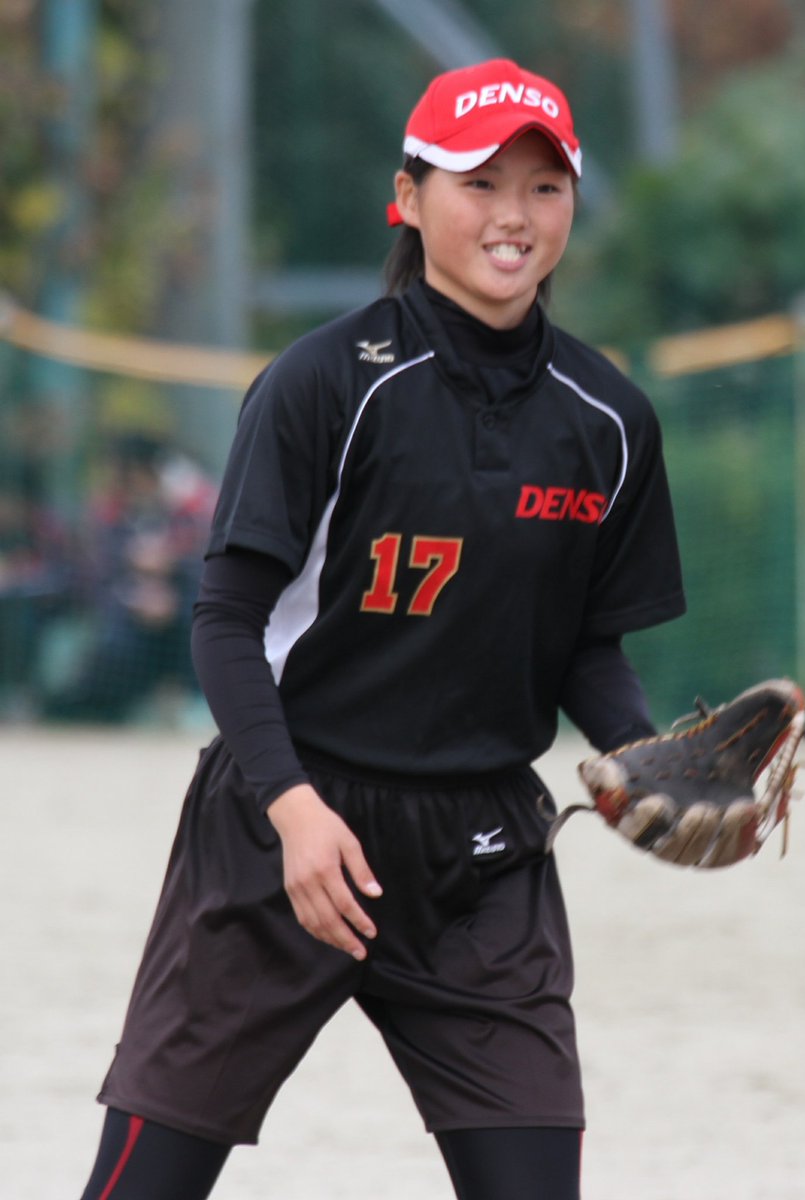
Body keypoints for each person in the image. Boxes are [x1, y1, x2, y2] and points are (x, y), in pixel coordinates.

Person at [78, 58, 685, 1199]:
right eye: (479, 180)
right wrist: (292, 808)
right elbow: (224, 621)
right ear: (406, 198)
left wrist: (643, 760)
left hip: (482, 853)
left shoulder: (608, 418)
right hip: (286, 820)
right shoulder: (323, 382)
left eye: (545, 186)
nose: (514, 215)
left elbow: (588, 651)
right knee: (145, 1183)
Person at [42, 433, 216, 723]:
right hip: (122, 613)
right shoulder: (107, 512)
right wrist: (133, 593)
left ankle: (193, 702)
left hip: (181, 607)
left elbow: (211, 568)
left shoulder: (191, 508)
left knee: (196, 619)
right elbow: (91, 573)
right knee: (118, 640)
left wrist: (172, 570)